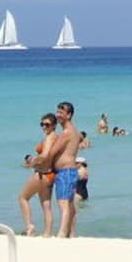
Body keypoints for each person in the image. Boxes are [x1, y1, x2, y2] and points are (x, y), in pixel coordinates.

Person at [48, 101, 84, 238]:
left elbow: (52, 152)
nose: (58, 115)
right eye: (57, 112)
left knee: (63, 203)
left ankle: (62, 233)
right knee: (69, 204)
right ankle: (71, 233)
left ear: (69, 115)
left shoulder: (67, 132)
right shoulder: (74, 131)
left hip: (65, 172)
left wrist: (37, 161)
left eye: (61, 113)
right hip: (70, 171)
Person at [17, 114, 57, 237]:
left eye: (47, 124)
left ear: (54, 125)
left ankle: (30, 227)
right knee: (46, 206)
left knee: (22, 198)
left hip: (41, 175)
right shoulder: (56, 137)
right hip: (50, 175)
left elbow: (45, 155)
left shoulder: (50, 138)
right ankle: (47, 233)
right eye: (42, 124)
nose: (44, 127)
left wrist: (32, 163)